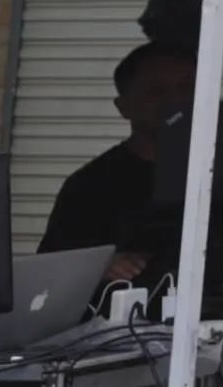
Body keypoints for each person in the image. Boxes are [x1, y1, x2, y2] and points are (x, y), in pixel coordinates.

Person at [40, 40, 196, 284]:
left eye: (186, 87)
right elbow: (50, 273)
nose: (175, 99)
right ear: (124, 107)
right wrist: (101, 266)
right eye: (156, 91)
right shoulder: (90, 186)